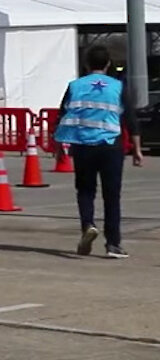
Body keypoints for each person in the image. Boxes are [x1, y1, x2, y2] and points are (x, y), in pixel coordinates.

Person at [54, 46, 143, 259]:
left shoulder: (75, 86)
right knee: (112, 196)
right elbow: (130, 118)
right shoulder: (118, 87)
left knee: (85, 191)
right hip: (110, 146)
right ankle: (113, 244)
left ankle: (88, 225)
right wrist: (137, 149)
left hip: (82, 145)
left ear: (86, 64)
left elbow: (62, 116)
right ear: (108, 64)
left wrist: (59, 147)